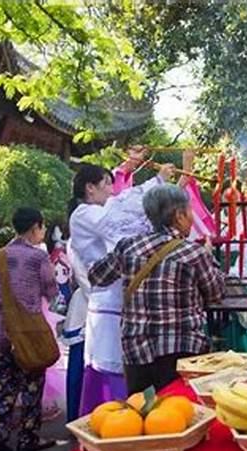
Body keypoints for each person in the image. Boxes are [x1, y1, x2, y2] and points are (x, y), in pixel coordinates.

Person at [88, 184, 225, 393]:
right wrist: (209, 256)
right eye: (189, 212)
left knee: (142, 414)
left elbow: (97, 276)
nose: (191, 217)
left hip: (136, 350)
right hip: (181, 349)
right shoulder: (193, 253)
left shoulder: (128, 247)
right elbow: (215, 293)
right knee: (179, 414)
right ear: (179, 215)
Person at [68, 153, 176, 414]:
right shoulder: (84, 214)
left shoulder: (100, 211)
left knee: (133, 366)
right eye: (106, 183)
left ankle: (137, 422)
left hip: (123, 300)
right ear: (89, 188)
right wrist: (156, 182)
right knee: (112, 370)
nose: (112, 189)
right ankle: (108, 425)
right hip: (107, 301)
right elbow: (119, 216)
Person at [0, 208, 59, 451]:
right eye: (43, 227)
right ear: (35, 227)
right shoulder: (38, 258)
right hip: (28, 335)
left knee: (3, 389)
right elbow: (51, 291)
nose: (44, 231)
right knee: (31, 387)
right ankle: (28, 439)